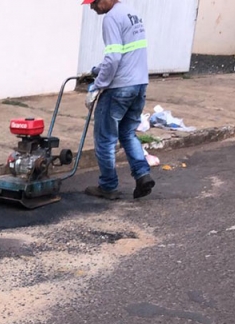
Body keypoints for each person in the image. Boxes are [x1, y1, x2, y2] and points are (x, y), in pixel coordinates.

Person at [82, 0, 155, 200]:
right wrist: (99, 69)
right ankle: (142, 174)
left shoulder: (111, 18)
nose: (92, 7)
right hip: (139, 84)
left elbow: (114, 58)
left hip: (119, 88)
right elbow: (127, 54)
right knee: (127, 132)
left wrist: (98, 84)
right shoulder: (131, 13)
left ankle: (108, 186)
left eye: (94, 2)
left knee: (105, 139)